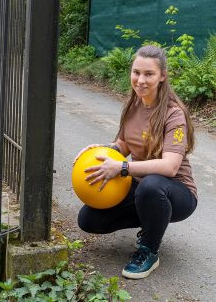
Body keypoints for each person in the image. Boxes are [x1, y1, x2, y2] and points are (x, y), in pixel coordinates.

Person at [73, 45, 197, 279]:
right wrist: (103, 149)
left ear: (162, 76)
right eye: (136, 72)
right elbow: (123, 144)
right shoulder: (133, 104)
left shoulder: (174, 114)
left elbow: (170, 166)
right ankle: (153, 221)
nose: (140, 80)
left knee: (151, 185)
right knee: (89, 219)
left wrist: (122, 168)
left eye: (149, 74)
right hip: (144, 189)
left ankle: (149, 250)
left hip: (177, 192)